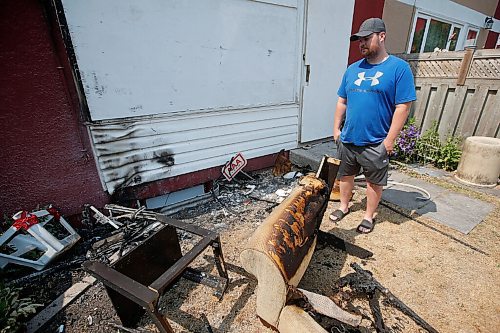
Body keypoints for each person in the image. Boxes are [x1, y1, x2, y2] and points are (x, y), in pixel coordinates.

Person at [329, 18, 416, 233]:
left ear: (382, 36)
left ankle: (369, 216)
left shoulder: (399, 69)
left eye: (367, 39)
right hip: (348, 138)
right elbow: (342, 101)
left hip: (376, 141)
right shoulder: (352, 69)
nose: (362, 44)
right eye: (360, 40)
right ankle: (344, 206)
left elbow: (403, 106)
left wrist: (389, 140)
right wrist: (336, 130)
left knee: (373, 182)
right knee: (345, 176)